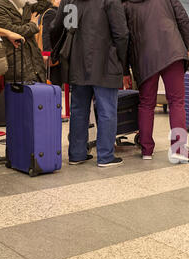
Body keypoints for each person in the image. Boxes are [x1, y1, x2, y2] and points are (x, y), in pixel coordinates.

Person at [50, 0, 129, 167]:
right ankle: (105, 156)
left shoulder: (70, 0)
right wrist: (121, 60)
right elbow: (121, 34)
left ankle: (77, 154)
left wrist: (58, 53)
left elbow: (58, 27)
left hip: (76, 63)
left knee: (78, 109)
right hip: (105, 61)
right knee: (107, 109)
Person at [124, 0, 189, 162]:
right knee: (177, 102)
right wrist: (186, 47)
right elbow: (183, 20)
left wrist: (125, 69)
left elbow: (123, 37)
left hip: (144, 57)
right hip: (172, 51)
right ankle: (179, 149)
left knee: (146, 104)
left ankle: (147, 149)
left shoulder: (126, 4)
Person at [0, 0, 51, 83]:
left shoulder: (25, 4)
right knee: (18, 92)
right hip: (15, 60)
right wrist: (32, 25)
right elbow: (11, 31)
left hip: (34, 60)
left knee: (37, 91)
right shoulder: (0, 6)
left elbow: (46, 4)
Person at [39, 0, 61, 85]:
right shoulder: (51, 12)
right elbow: (46, 33)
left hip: (53, 53)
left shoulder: (54, 12)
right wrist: (46, 52)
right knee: (53, 81)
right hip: (51, 54)